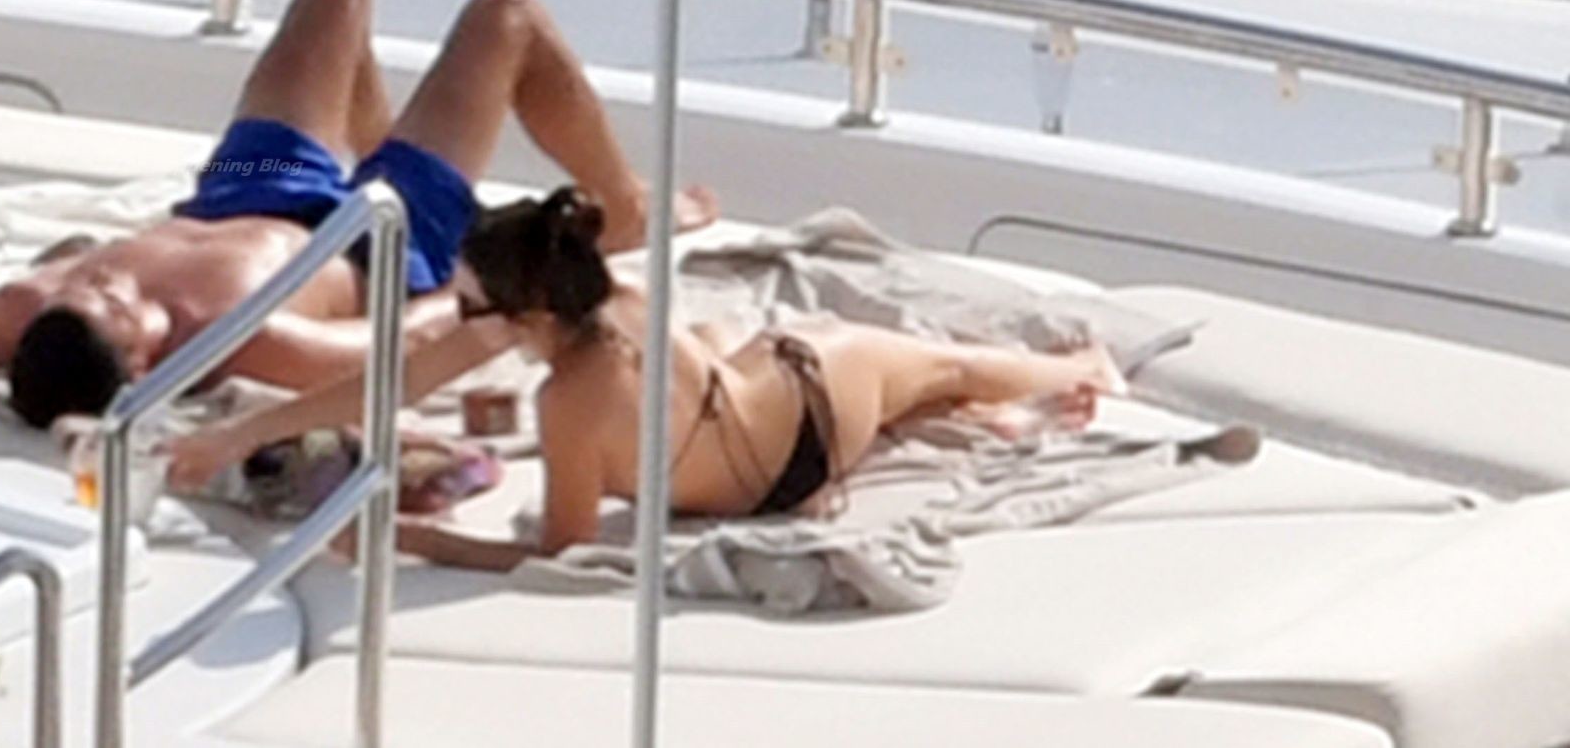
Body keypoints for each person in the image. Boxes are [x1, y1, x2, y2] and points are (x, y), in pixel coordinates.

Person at [166, 187, 1123, 572]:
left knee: (914, 361)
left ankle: (1080, 371)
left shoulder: (566, 400)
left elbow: (561, 551)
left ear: (524, 316)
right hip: (797, 410)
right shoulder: (611, 300)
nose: (460, 317)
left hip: (789, 435)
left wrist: (406, 536)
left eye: (472, 304)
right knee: (926, 362)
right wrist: (238, 434)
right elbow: (402, 378)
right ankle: (1027, 393)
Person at [0, 0, 717, 429]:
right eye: (112, 306)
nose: (101, 281)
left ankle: (383, 150)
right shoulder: (243, 341)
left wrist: (79, 284)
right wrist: (485, 281)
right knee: (505, 15)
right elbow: (401, 343)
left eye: (79, 289)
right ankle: (623, 208)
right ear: (142, 365)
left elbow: (60, 289)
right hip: (376, 236)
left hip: (245, 183)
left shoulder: (22, 312)